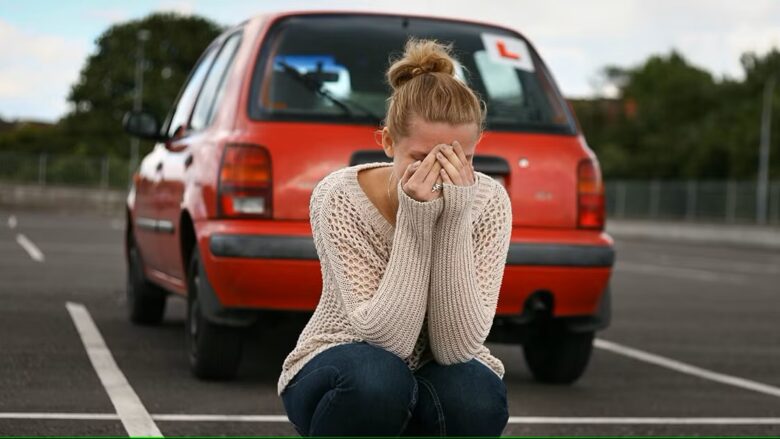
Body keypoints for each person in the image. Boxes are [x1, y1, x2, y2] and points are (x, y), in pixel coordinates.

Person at [278, 37, 513, 436]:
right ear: (387, 142)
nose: (442, 173)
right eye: (423, 159)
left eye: (461, 158)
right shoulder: (339, 196)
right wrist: (417, 220)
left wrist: (455, 217)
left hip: (438, 367)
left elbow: (455, 349)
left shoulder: (488, 203)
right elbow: (390, 342)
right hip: (342, 360)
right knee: (378, 381)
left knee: (478, 395)